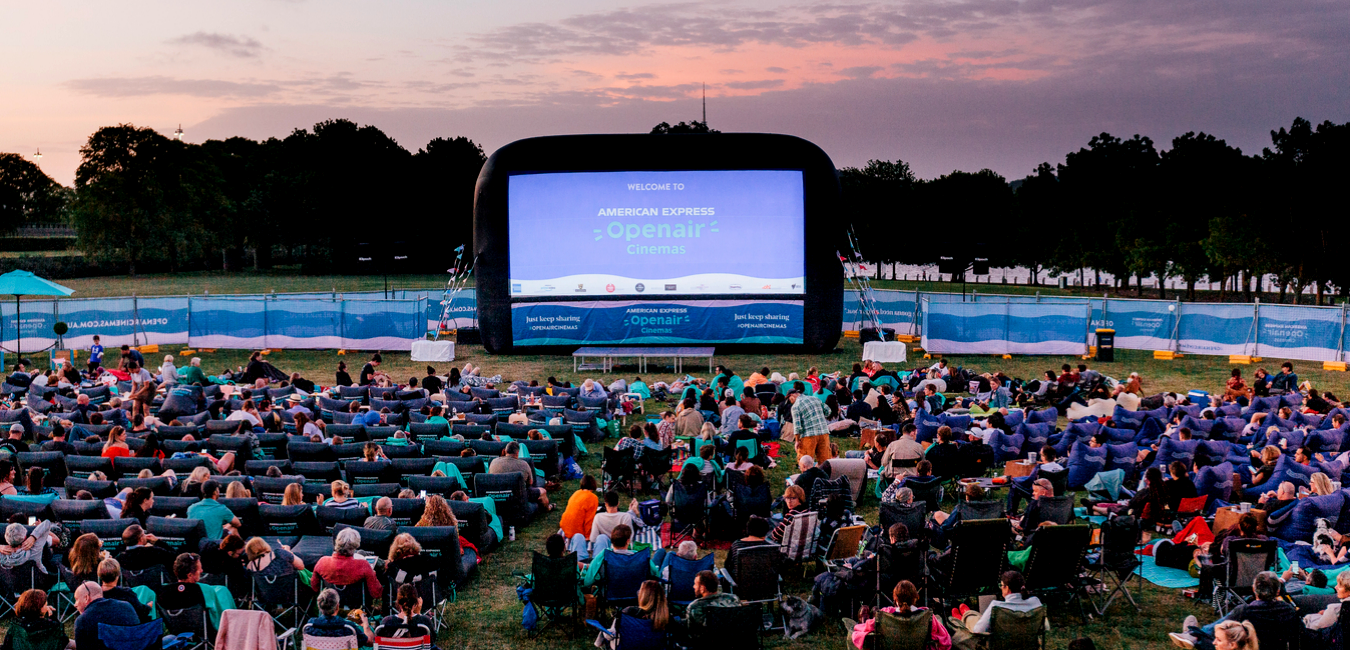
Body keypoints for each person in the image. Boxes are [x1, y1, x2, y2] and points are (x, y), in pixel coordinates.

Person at [1172, 571, 1291, 648]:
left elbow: (1217, 628)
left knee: (1216, 637)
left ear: (1253, 589)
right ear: (1278, 592)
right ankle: (1192, 634)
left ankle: (1193, 635)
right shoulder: (1288, 611)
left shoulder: (1246, 610)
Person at [852, 580, 951, 649]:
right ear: (916, 597)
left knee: (866, 627)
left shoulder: (885, 615)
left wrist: (861, 624)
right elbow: (945, 640)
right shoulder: (926, 615)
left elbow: (866, 628)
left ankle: (863, 620)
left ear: (895, 598)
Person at [952, 570, 1042, 634]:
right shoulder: (1036, 602)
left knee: (974, 619)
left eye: (1001, 585)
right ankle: (966, 614)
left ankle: (964, 617)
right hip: (1026, 643)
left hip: (1000, 644)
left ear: (1006, 587)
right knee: (982, 618)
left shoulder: (997, 606)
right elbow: (1045, 627)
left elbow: (978, 631)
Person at [311, 527, 383, 598]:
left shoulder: (322, 562)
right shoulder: (363, 565)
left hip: (331, 601)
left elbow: (315, 587)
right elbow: (376, 593)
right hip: (356, 602)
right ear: (356, 545)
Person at [74, 581, 140, 650]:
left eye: (76, 599)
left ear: (86, 598)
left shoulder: (83, 621)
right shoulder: (127, 606)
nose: (75, 604)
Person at [488, 441, 551, 512]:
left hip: (497, 495)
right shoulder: (524, 464)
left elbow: (489, 476)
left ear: (505, 451)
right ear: (518, 453)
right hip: (518, 496)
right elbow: (530, 482)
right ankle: (547, 508)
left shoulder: (494, 462)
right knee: (543, 491)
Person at [1, 588, 70, 650]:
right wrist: (51, 615)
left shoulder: (16, 627)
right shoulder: (53, 627)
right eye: (45, 605)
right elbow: (64, 642)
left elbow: (6, 647)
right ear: (41, 608)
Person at [306, 588, 373, 645]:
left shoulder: (311, 625)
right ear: (337, 606)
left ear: (319, 606)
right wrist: (366, 625)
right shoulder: (348, 627)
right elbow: (370, 642)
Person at [97, 558, 152, 622]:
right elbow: (141, 612)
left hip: (103, 630)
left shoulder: (95, 595)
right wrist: (149, 606)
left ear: (99, 575)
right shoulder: (126, 594)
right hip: (126, 629)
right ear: (118, 574)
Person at [790, 390, 832, 462]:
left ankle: (808, 473)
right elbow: (828, 411)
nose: (790, 402)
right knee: (825, 461)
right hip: (824, 432)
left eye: (789, 399)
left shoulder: (795, 406)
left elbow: (797, 426)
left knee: (806, 462)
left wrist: (797, 441)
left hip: (808, 436)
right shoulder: (815, 398)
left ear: (792, 396)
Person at [559, 475, 600, 541]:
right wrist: (588, 535)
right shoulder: (593, 498)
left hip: (564, 527)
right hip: (577, 532)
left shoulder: (576, 493)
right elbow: (589, 520)